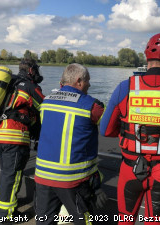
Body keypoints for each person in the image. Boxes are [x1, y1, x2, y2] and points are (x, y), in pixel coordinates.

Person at [100, 33, 160, 225]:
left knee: (125, 220)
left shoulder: (125, 87)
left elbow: (106, 130)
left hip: (131, 168)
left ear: (146, 55)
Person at [34, 63, 106, 225]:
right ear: (79, 81)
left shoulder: (46, 102)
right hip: (73, 179)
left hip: (43, 175)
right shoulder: (92, 106)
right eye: (88, 80)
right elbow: (110, 126)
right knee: (85, 221)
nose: (89, 84)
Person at [0, 59, 44, 223]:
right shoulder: (30, 86)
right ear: (32, 71)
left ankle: (4, 210)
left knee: (6, 175)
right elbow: (46, 107)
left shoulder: (9, 83)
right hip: (13, 138)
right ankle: (7, 216)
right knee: (12, 177)